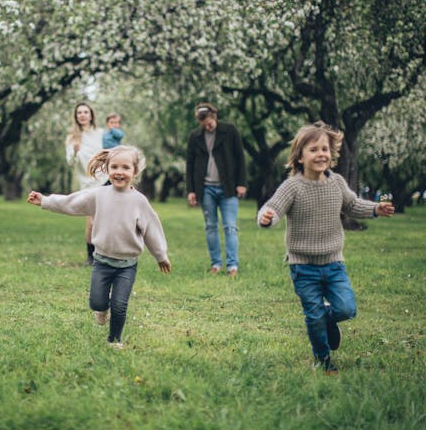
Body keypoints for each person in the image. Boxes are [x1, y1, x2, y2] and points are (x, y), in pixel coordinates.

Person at [256, 121, 395, 375]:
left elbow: (352, 206)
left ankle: (329, 320)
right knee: (313, 316)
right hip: (303, 266)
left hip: (333, 264)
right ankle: (323, 359)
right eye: (313, 149)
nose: (321, 154)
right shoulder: (293, 186)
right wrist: (267, 217)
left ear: (332, 154)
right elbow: (274, 207)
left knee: (346, 308)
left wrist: (375, 208)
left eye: (325, 149)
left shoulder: (337, 183)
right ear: (300, 156)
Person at [27, 145, 172, 348]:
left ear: (135, 171)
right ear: (107, 169)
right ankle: (102, 309)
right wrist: (45, 200)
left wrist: (161, 255)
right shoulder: (99, 195)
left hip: (127, 265)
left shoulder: (139, 202)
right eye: (114, 167)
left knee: (120, 306)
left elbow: (152, 230)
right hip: (102, 262)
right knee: (96, 302)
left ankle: (114, 340)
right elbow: (71, 203)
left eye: (125, 167)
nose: (119, 172)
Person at [186, 102, 247, 277]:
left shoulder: (229, 131)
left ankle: (232, 266)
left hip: (228, 187)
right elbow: (189, 164)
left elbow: (240, 157)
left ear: (214, 116)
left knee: (230, 226)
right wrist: (191, 190)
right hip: (206, 189)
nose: (208, 126)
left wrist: (241, 183)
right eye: (204, 124)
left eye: (210, 122)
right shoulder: (195, 136)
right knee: (211, 226)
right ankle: (216, 264)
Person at [65, 102, 104, 265]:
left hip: (105, 179)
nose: (82, 115)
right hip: (88, 183)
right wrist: (74, 151)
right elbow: (70, 162)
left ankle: (105, 254)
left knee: (105, 219)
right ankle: (91, 256)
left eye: (85, 112)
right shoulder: (72, 138)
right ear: (76, 116)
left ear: (91, 115)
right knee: (92, 220)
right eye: (79, 112)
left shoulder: (100, 133)